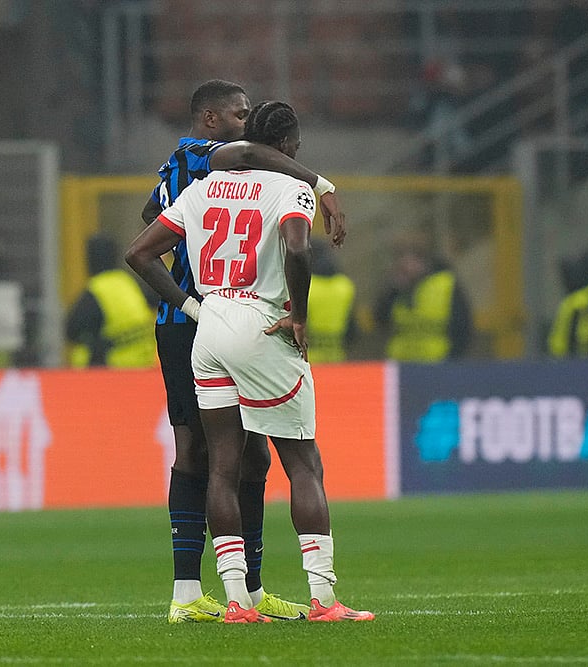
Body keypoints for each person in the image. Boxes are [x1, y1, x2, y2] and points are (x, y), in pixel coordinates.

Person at [127, 99, 374, 623]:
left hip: (210, 326)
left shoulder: (203, 187)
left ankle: (238, 601)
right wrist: (300, 316)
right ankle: (324, 600)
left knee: (223, 465)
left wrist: (193, 305)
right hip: (262, 322)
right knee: (303, 464)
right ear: (286, 147)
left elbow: (140, 252)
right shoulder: (291, 188)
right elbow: (299, 249)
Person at [374, 232, 473, 362]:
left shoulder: (445, 284)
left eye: (408, 259)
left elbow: (462, 328)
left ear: (422, 261)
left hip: (437, 365)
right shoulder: (397, 288)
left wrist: (451, 361)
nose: (402, 265)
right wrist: (392, 291)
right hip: (401, 365)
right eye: (398, 258)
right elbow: (380, 319)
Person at [65, 235, 156, 368]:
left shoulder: (96, 290)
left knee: (81, 352)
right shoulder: (129, 282)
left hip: (114, 368)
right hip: (144, 362)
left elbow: (71, 330)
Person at [306, 241, 357, 363]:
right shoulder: (345, 286)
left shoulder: (304, 286)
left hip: (306, 361)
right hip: (336, 358)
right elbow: (353, 330)